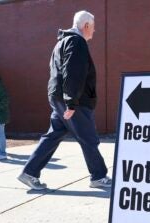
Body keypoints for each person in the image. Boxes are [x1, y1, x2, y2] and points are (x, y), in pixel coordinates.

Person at [18, 10, 112, 190]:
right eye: (93, 27)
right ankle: (99, 177)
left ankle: (29, 172)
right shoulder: (77, 42)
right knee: (88, 138)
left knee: (53, 135)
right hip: (73, 99)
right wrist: (71, 102)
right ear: (85, 26)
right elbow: (73, 73)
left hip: (58, 97)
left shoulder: (61, 43)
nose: (94, 31)